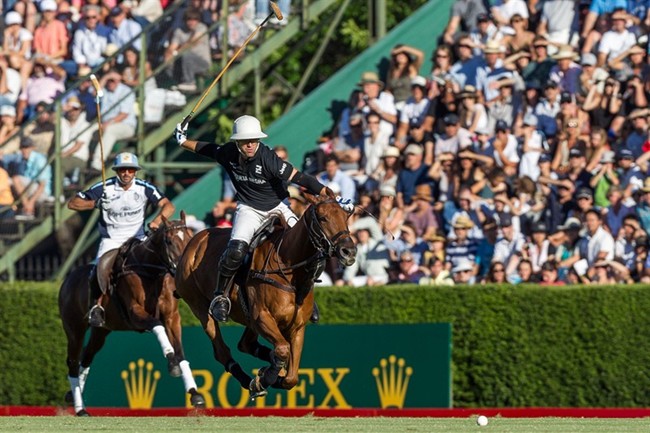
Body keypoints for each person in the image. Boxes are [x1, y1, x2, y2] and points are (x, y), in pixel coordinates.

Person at [175, 115, 349, 323]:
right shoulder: (228, 153)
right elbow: (207, 149)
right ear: (237, 142)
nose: (250, 145)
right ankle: (220, 296)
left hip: (278, 206)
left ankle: (305, 296)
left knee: (307, 244)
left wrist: (334, 197)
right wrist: (183, 141)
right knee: (235, 251)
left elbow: (302, 178)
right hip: (249, 208)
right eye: (245, 141)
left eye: (254, 140)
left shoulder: (269, 159)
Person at [67, 152, 175, 327]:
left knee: (164, 262)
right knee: (98, 270)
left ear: (135, 172)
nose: (126, 173)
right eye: (123, 170)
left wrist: (155, 221)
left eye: (131, 170)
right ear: (117, 171)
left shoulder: (144, 187)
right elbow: (73, 203)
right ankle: (96, 306)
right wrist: (95, 203)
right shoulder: (104, 187)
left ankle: (168, 299)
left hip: (138, 237)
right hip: (112, 238)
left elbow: (168, 205)